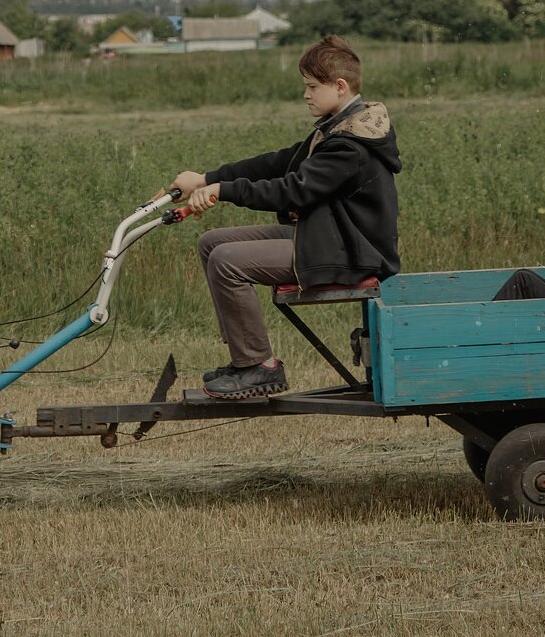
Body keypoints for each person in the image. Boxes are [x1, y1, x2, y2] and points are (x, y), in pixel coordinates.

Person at [171, 35, 401, 400]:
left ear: (340, 87)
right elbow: (279, 162)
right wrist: (208, 178)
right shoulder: (336, 129)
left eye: (312, 86)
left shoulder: (349, 145)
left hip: (352, 253)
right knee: (211, 242)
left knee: (227, 261)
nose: (306, 95)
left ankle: (258, 367)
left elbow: (293, 189)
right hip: (327, 236)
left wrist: (223, 192)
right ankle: (243, 358)